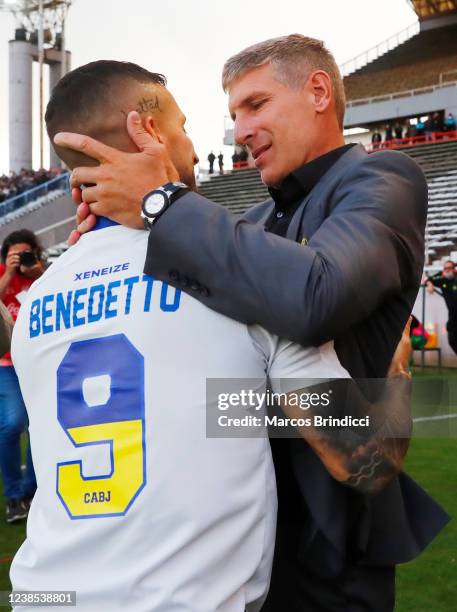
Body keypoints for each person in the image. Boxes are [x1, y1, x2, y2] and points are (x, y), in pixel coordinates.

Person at [56, 35, 449, 612]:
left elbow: (317, 297)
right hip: (233, 529)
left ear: (318, 91)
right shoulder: (251, 219)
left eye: (256, 105)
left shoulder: (382, 178)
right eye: (233, 113)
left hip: (329, 535)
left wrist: (162, 205)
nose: (239, 130)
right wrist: (114, 236)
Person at [0, 230, 41, 522]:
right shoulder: (2, 274)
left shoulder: (43, 275)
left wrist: (39, 273)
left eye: (27, 253)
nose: (22, 259)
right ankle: (15, 496)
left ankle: (31, 491)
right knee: (13, 423)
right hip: (7, 363)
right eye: (16, 254)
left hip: (39, 361)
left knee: (42, 425)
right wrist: (9, 273)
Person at [426, 260, 457, 354]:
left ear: (454, 269)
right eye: (445, 268)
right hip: (453, 316)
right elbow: (429, 279)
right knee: (452, 340)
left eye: (449, 268)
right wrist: (429, 284)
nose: (447, 270)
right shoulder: (442, 279)